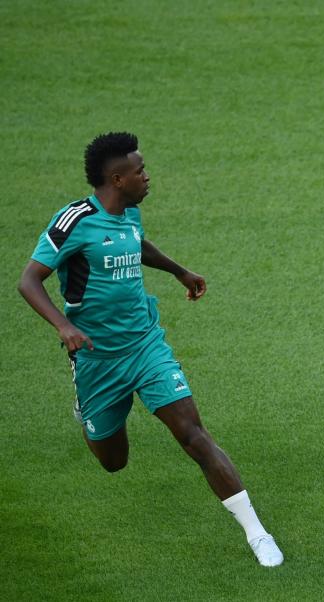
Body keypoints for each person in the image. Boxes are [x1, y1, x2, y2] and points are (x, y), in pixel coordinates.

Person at [17, 132, 284, 566]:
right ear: (117, 178)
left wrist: (179, 271)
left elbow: (136, 244)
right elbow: (28, 280)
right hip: (97, 358)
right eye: (140, 170)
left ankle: (258, 533)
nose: (147, 176)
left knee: (193, 435)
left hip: (145, 344)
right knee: (113, 461)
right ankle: (88, 413)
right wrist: (64, 326)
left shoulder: (131, 213)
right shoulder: (74, 221)